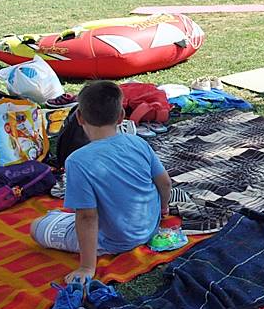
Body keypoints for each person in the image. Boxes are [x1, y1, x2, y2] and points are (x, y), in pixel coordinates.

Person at [30, 81, 171, 283]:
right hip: (149, 227)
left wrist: (87, 267)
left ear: (79, 117)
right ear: (121, 116)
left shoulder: (78, 161)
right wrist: (163, 208)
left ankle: (57, 220)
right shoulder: (138, 142)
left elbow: (87, 217)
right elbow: (164, 183)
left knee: (36, 227)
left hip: (114, 240)